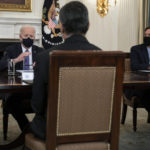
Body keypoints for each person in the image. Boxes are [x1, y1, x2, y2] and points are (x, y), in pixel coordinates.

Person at [31, 1, 101, 140]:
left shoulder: (44, 58)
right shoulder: (103, 56)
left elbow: (37, 106)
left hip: (55, 131)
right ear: (88, 26)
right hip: (95, 128)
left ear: (61, 26)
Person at [0, 25, 44, 131]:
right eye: (26, 35)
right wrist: (16, 60)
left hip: (34, 88)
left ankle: (39, 128)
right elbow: (1, 65)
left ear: (34, 38)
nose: (29, 38)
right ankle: (27, 129)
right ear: (20, 37)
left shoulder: (40, 51)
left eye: (31, 36)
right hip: (17, 90)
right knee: (10, 102)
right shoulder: (11, 49)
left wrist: (39, 66)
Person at [125, 26, 150, 112]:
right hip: (139, 84)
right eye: (145, 35)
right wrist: (148, 66)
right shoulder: (136, 49)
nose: (147, 37)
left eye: (149, 35)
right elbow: (134, 66)